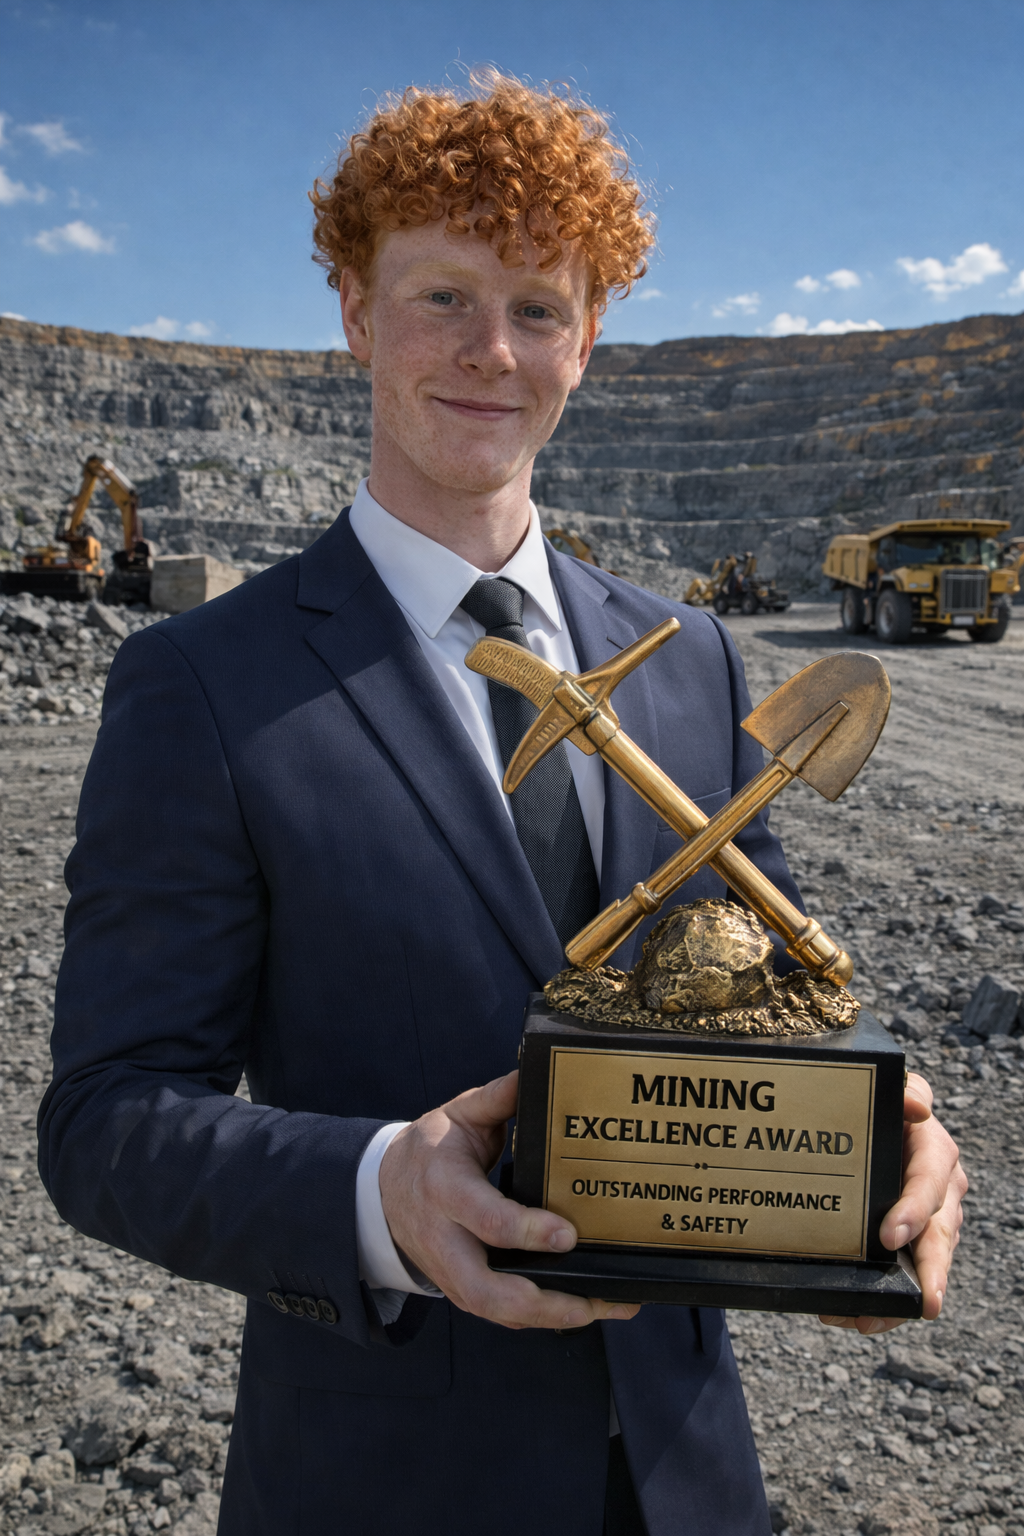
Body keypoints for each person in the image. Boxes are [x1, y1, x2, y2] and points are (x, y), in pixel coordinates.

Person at [39, 74, 966, 1536]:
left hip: (685, 1482)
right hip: (380, 1483)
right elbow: (102, 1118)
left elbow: (779, 1001)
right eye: (442, 296)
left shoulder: (694, 658)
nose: (492, 351)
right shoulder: (201, 686)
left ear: (588, 340)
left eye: (539, 307)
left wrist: (885, 1146)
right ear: (352, 309)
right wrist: (375, 1195)